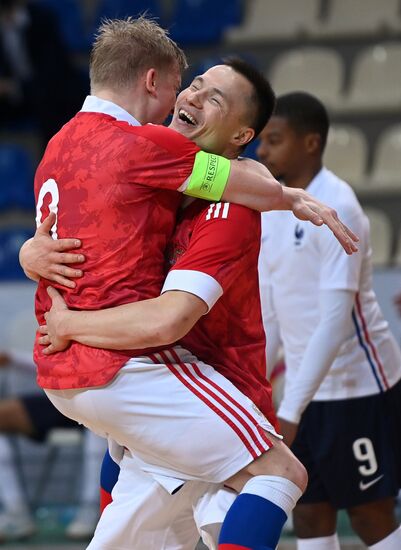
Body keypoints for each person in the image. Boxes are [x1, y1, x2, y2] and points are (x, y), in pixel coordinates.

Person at [257, 92, 401, 550]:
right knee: (309, 512)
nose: (261, 151)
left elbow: (336, 322)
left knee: (370, 514)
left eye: (274, 140)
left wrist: (290, 409)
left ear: (311, 143)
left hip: (358, 387)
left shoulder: (341, 206)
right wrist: (257, 387)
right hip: (303, 394)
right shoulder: (269, 207)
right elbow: (272, 312)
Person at [0, 350, 105, 542]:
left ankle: (93, 508)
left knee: (99, 410)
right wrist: (12, 359)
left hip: (105, 392)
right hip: (62, 393)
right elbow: (51, 361)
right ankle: (16, 512)